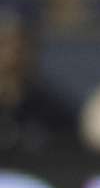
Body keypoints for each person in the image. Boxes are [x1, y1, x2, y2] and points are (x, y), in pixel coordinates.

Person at [0, 17, 78, 152]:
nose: (11, 56)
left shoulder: (54, 111)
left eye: (20, 47)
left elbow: (69, 160)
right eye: (3, 45)